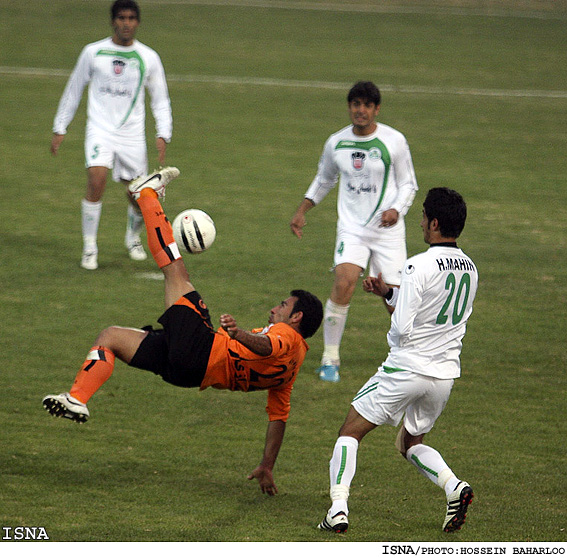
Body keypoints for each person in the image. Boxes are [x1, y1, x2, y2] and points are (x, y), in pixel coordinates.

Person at [43, 167, 323, 496]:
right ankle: (77, 398)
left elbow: (266, 346)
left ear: (297, 317)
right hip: (188, 374)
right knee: (111, 337)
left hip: (202, 350)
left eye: (283, 305)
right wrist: (267, 464)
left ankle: (147, 194)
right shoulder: (290, 373)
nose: (275, 308)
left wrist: (239, 334)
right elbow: (278, 420)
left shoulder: (287, 337)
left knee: (176, 272)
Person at [317, 187, 478, 533]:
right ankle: (455, 487)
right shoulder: (470, 268)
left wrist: (395, 350)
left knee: (350, 432)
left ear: (434, 222)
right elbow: (437, 307)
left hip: (406, 366)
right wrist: (388, 292)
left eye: (422, 217)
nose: (419, 222)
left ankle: (338, 509)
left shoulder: (417, 264)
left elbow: (403, 326)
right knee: (408, 442)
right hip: (444, 375)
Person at [290, 81, 418, 382]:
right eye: (355, 104)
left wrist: (396, 210)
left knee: (394, 297)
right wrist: (302, 210)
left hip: (388, 230)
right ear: (349, 107)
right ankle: (330, 358)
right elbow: (324, 179)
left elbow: (409, 183)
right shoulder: (336, 143)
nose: (360, 110)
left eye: (367, 105)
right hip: (352, 229)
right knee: (344, 281)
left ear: (376, 109)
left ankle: (408, 355)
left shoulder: (394, 141)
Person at [50, 0, 173, 270]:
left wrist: (163, 132)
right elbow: (74, 89)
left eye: (131, 18)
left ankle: (132, 238)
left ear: (138, 22)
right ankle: (90, 247)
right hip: (100, 129)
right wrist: (61, 127)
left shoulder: (148, 57)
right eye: (121, 17)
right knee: (96, 179)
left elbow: (160, 99)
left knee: (138, 195)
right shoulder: (93, 52)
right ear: (113, 21)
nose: (126, 23)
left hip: (131, 134)